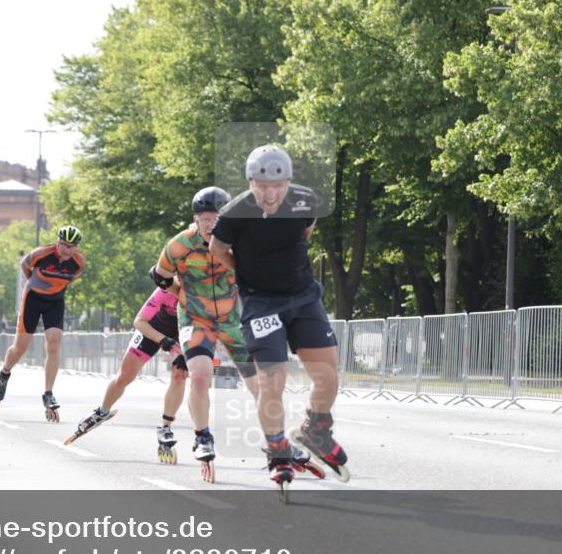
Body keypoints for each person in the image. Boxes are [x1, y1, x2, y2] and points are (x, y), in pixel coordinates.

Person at [210, 145, 349, 487]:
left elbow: (306, 231)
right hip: (261, 303)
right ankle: (277, 451)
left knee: (328, 377)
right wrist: (246, 273)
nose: (271, 194)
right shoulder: (233, 214)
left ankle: (315, 429)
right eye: (262, 186)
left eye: (278, 185)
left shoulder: (305, 201)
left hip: (303, 297)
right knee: (272, 382)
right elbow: (216, 249)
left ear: (288, 182)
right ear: (250, 182)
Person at [150, 187, 269, 483]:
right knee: (201, 375)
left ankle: (275, 439)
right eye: (205, 218)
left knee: (259, 383)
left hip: (233, 320)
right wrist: (182, 296)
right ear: (196, 219)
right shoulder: (179, 245)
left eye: (218, 218)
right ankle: (202, 436)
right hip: (196, 319)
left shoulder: (241, 243)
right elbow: (161, 276)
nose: (211, 224)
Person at [65, 282, 190, 463]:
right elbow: (139, 321)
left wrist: (186, 352)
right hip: (153, 328)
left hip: (183, 333)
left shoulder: (203, 294)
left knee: (180, 375)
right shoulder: (165, 290)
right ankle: (102, 411)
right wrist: (162, 340)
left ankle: (165, 427)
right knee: (126, 375)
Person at [0, 225, 86, 422]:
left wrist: (54, 287)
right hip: (33, 299)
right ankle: (4, 373)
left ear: (76, 247)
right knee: (20, 348)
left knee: (54, 345)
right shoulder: (41, 254)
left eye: (71, 247)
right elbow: (24, 265)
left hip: (55, 301)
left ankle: (48, 393)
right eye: (63, 245)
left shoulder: (78, 263)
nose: (66, 250)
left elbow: (71, 279)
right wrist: (33, 281)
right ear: (57, 242)